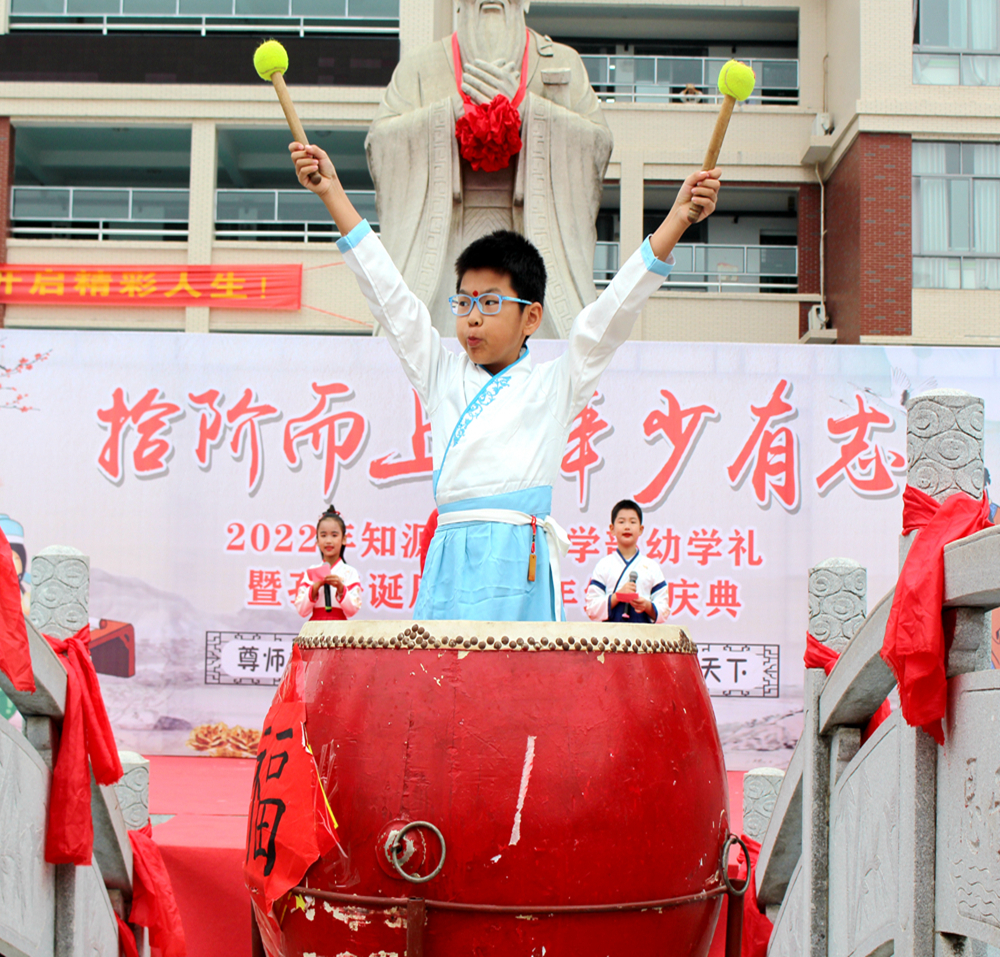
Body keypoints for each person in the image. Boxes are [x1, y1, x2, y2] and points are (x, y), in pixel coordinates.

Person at [289, 140, 720, 622]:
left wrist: (677, 220)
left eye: (490, 303)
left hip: (522, 562)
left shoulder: (554, 386)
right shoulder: (441, 374)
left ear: (531, 317)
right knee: (444, 690)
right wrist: (333, 196)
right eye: (464, 302)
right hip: (449, 557)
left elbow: (610, 314)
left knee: (522, 691)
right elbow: (391, 300)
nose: (472, 318)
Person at [365, 0, 613, 338]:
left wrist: (526, 109)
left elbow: (596, 145)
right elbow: (380, 144)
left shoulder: (563, 61)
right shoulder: (420, 67)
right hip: (446, 241)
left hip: (532, 236)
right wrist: (454, 110)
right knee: (444, 358)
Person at [585, 500, 668, 625]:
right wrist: (617, 596)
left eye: (633, 522)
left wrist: (647, 606)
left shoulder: (651, 567)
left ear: (641, 529)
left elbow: (664, 609)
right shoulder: (604, 565)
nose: (627, 526)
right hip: (610, 639)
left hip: (643, 638)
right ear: (612, 529)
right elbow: (592, 608)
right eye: (622, 521)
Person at [294, 505, 363, 622]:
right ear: (317, 540)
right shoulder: (312, 571)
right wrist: (314, 588)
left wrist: (341, 588)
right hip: (315, 629)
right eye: (323, 535)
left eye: (334, 535)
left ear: (344, 539)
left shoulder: (350, 572)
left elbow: (352, 610)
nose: (328, 541)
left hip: (339, 629)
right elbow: (302, 610)